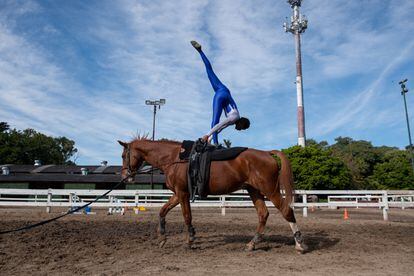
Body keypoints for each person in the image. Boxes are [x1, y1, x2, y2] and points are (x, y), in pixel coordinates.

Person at [191, 40, 250, 146]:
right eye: (242, 129)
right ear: (241, 125)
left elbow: (222, 128)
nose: (240, 130)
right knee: (215, 121)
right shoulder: (233, 118)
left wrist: (211, 136)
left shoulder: (236, 116)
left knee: (209, 70)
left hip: (223, 89)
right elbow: (219, 125)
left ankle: (200, 51)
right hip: (221, 95)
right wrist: (207, 135)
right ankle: (216, 144)